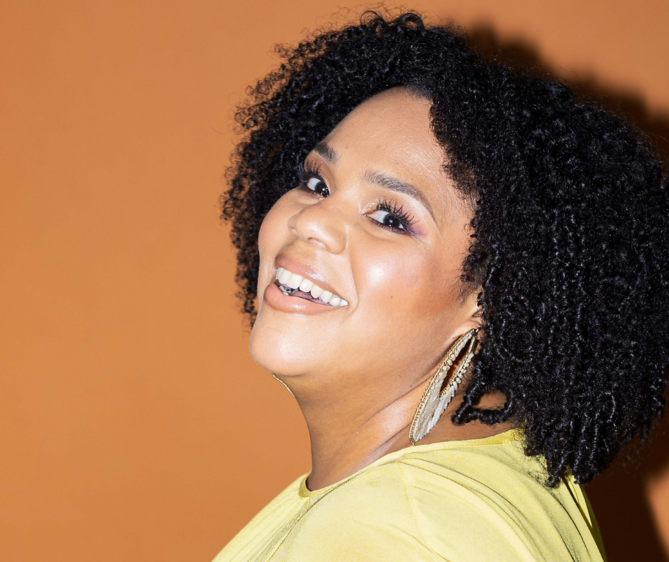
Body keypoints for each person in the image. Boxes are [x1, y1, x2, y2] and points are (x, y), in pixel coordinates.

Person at [213, 10, 669, 562]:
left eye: (389, 217)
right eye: (317, 182)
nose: (311, 220)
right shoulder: (486, 479)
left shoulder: (390, 530)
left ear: (492, 296)